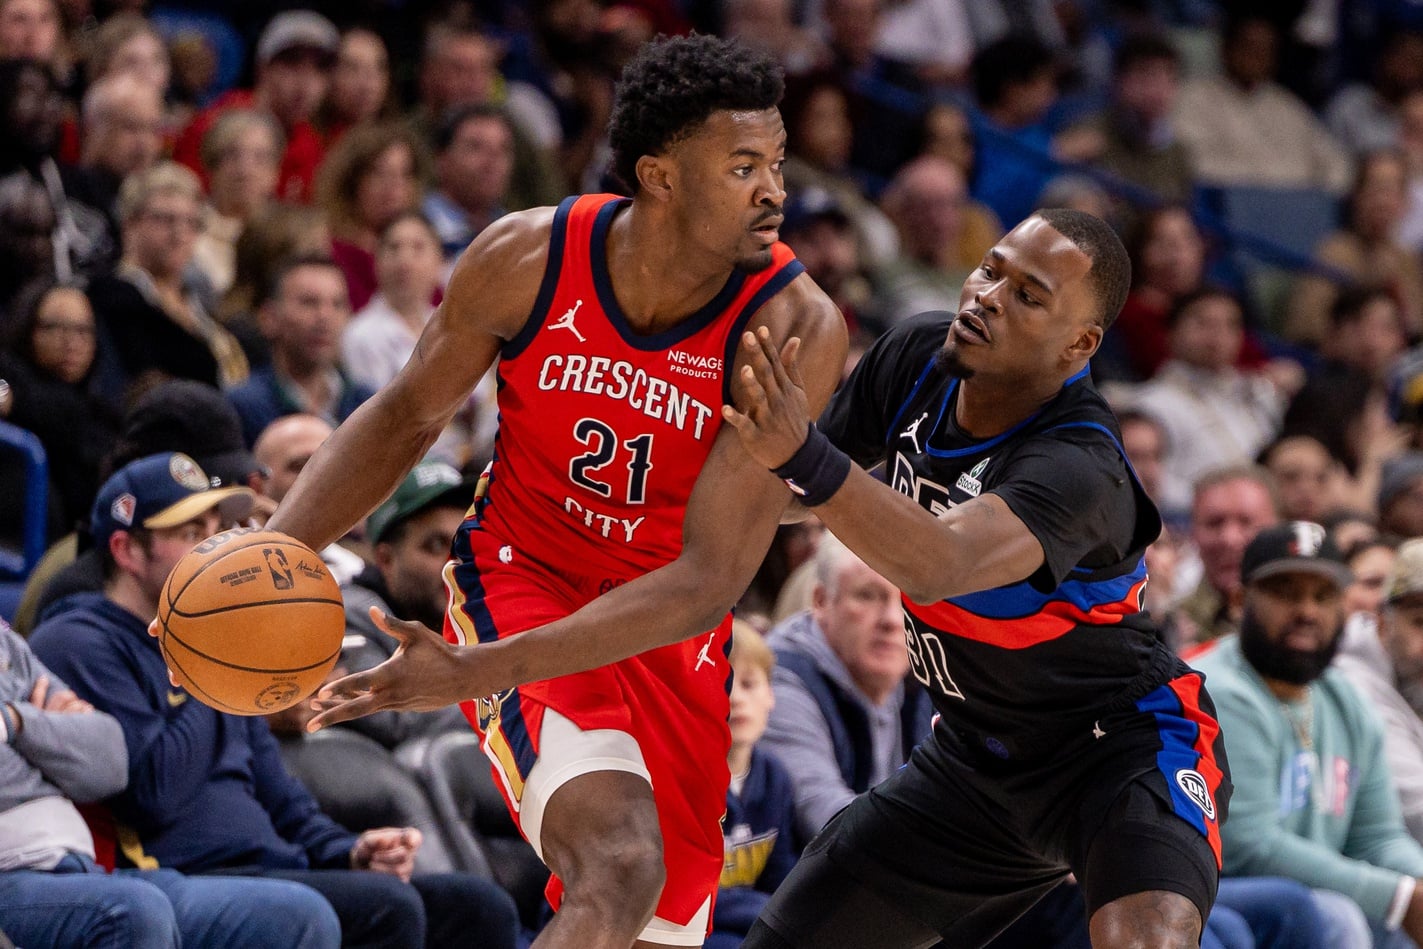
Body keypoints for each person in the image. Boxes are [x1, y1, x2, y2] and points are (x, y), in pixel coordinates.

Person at [282, 34, 846, 949]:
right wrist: (276, 545)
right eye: (743, 166)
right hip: (522, 575)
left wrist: (472, 676)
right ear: (660, 176)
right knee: (619, 865)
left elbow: (708, 581)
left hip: (668, 621)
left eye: (776, 163)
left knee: (656, 928)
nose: (773, 190)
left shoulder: (791, 324)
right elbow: (404, 415)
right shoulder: (526, 257)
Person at [721, 208, 1231, 947]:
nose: (987, 295)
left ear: (1077, 345)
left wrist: (797, 452)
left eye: (1027, 295)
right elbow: (790, 487)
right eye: (991, 268)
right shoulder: (916, 356)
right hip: (973, 762)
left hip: (1119, 747)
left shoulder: (1081, 463)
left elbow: (936, 562)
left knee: (1144, 939)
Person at [29, 453, 520, 949]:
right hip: (178, 873)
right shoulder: (78, 642)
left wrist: (349, 850)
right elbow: (148, 793)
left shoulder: (218, 646)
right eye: (190, 533)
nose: (212, 548)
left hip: (273, 865)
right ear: (127, 551)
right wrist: (214, 670)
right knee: (384, 909)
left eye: (214, 529)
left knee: (477, 907)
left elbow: (275, 788)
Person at [0, 617, 342, 949]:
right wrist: (51, 730)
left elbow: (110, 763)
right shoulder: (78, 637)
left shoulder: (6, 643)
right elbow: (152, 792)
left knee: (299, 916)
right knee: (133, 911)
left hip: (77, 868)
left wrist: (18, 722)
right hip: (15, 873)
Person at [1191, 523, 1423, 948]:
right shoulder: (1218, 690)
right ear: (1240, 600)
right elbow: (1248, 845)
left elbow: (1378, 837)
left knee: (1389, 920)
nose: (1307, 612)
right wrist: (1400, 897)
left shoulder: (1346, 701)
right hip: (1221, 893)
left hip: (1307, 894)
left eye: (1323, 596)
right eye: (1286, 593)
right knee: (1344, 916)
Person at [760, 534, 932, 842]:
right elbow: (830, 822)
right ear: (821, 601)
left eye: (910, 600)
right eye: (867, 595)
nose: (893, 620)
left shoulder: (925, 674)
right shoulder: (777, 682)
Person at [339, 460, 472, 749]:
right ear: (386, 559)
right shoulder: (347, 615)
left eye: (467, 544)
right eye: (436, 546)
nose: (457, 564)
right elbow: (391, 715)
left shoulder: (481, 613)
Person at [709, 621, 799, 949]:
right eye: (722, 685)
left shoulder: (775, 778)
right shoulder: (677, 781)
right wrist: (767, 913)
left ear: (771, 696)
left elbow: (782, 880)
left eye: (748, 684)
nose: (735, 699)